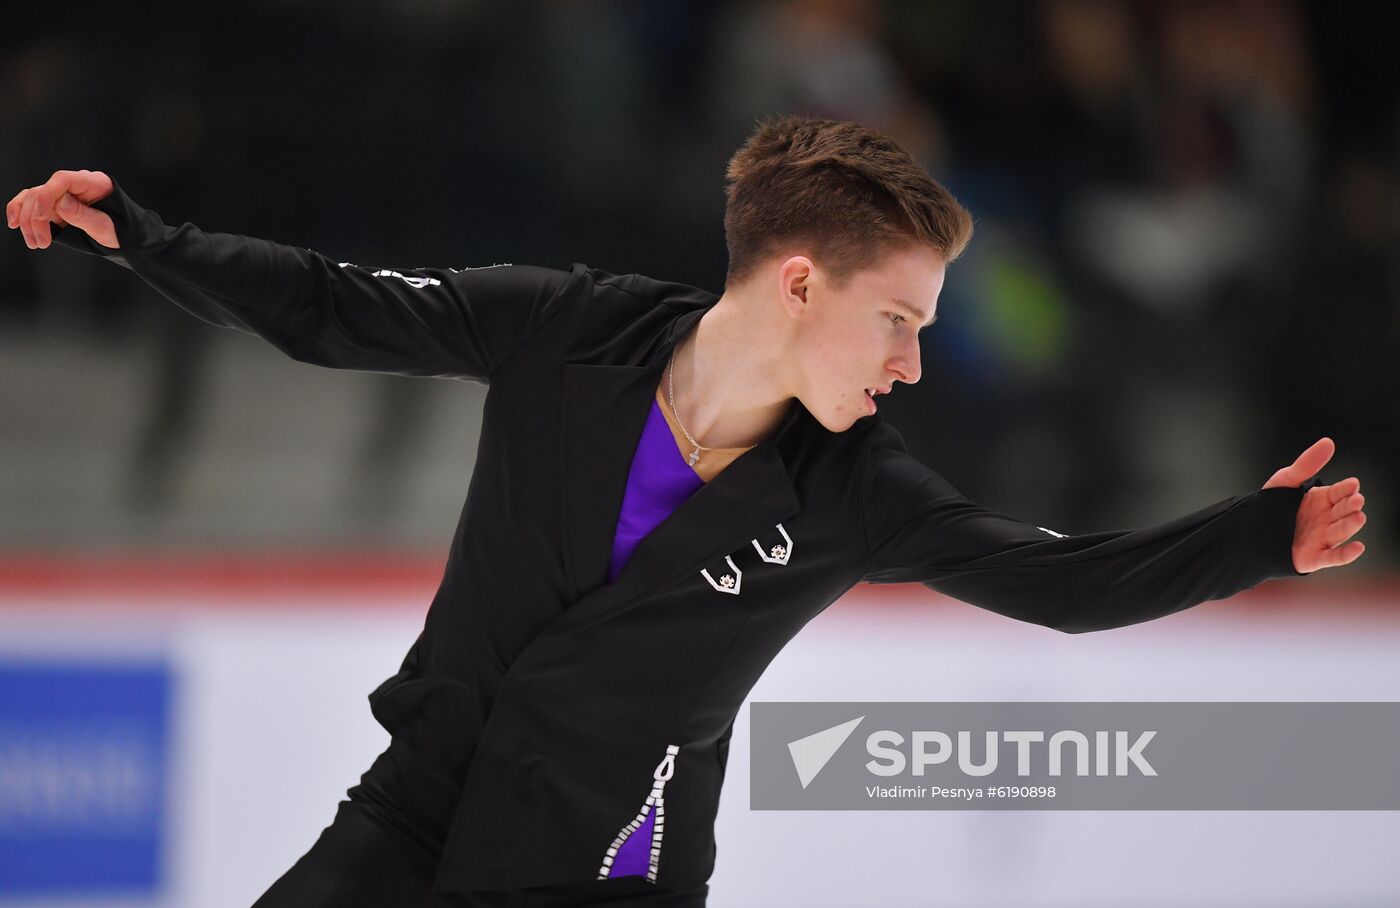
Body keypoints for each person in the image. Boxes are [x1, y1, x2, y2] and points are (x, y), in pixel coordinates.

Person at [8, 116, 1366, 907]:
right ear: (796, 285)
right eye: (897, 320)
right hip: (421, 805)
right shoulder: (566, 332)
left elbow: (1059, 582)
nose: (910, 363)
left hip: (601, 869)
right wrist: (147, 239)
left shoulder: (858, 493)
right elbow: (329, 304)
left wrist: (1258, 537)